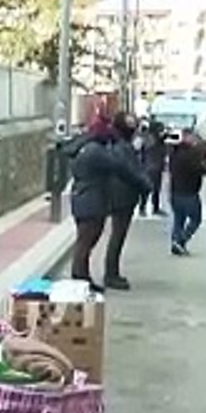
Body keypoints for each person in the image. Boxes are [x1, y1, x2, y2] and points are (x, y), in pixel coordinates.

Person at [66, 114, 152, 292]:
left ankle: (82, 278)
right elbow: (122, 169)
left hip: (82, 197)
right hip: (92, 199)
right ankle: (81, 280)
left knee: (85, 242)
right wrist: (145, 185)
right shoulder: (98, 152)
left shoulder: (84, 149)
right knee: (86, 242)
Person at [167, 128, 206, 256]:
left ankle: (175, 242)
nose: (195, 140)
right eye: (192, 137)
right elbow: (199, 169)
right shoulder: (190, 154)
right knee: (195, 219)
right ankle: (181, 241)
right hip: (189, 192)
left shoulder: (174, 154)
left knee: (178, 219)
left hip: (175, 191)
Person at [138, 120, 168, 217]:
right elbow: (148, 147)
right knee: (147, 188)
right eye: (160, 129)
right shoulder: (148, 138)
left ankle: (155, 208)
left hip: (156, 166)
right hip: (149, 167)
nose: (162, 131)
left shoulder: (157, 139)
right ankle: (142, 208)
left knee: (156, 189)